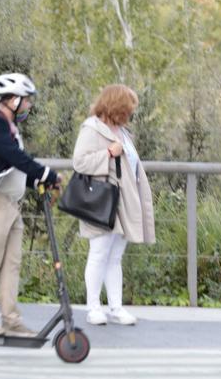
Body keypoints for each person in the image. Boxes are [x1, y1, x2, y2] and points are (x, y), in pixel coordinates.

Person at [0, 73, 61, 337]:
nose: (28, 106)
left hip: (11, 206)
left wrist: (40, 182)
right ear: (14, 99)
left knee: (12, 265)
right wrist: (47, 174)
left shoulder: (8, 126)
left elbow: (13, 168)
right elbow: (15, 157)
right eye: (26, 101)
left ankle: (11, 320)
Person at [72, 84, 155, 325]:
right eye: (128, 108)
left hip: (124, 202)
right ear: (117, 106)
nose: (130, 113)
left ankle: (116, 307)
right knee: (98, 252)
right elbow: (80, 163)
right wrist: (108, 153)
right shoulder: (92, 129)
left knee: (115, 255)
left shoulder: (123, 132)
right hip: (102, 201)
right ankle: (93, 307)